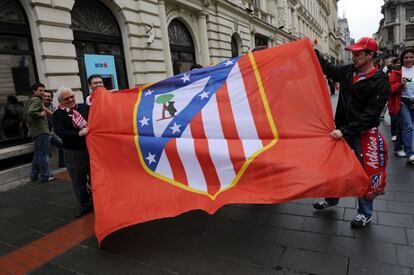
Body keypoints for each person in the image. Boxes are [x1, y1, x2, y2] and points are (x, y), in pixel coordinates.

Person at [312, 37, 390, 228]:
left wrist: (344, 130)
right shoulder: (348, 71)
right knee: (333, 166)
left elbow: (371, 116)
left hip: (362, 134)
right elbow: (328, 69)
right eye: (352, 53)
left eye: (358, 53)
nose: (353, 57)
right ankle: (331, 199)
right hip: (340, 130)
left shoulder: (380, 82)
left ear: (370, 55)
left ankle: (365, 213)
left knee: (365, 173)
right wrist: (313, 51)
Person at [53, 87, 93, 218]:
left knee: (96, 178)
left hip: (91, 150)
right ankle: (85, 205)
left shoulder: (84, 108)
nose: (71, 100)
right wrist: (78, 133)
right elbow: (60, 132)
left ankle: (98, 201)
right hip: (73, 153)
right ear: (60, 101)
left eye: (72, 96)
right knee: (78, 181)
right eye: (66, 98)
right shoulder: (58, 114)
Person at [388, 48, 414, 164]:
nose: (409, 59)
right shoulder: (396, 71)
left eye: (411, 57)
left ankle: (398, 148)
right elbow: (389, 88)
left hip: (413, 102)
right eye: (406, 57)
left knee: (404, 128)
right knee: (408, 126)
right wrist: (400, 85)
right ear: (402, 59)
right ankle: (410, 154)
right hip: (402, 102)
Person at [25, 83, 54, 182]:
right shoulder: (37, 100)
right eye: (40, 90)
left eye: (43, 90)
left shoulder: (29, 100)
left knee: (37, 154)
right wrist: (40, 114)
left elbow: (26, 115)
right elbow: (30, 112)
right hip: (41, 130)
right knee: (43, 154)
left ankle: (34, 175)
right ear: (34, 91)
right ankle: (45, 176)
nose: (42, 92)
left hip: (35, 131)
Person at [43, 90, 65, 167]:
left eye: (49, 96)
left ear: (52, 98)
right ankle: (45, 172)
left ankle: (62, 164)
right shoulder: (38, 106)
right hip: (43, 132)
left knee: (62, 144)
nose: (46, 98)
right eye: (45, 96)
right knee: (46, 153)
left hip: (52, 132)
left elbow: (54, 116)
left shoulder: (54, 107)